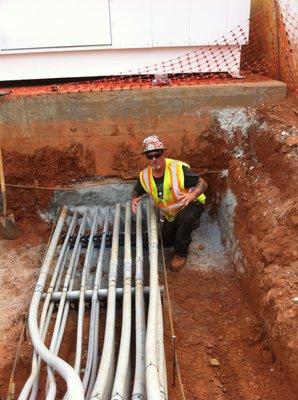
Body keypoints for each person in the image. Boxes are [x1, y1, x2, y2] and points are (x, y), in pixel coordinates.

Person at [131, 135, 207, 272]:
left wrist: (192, 195)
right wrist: (134, 198)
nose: (154, 159)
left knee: (186, 219)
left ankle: (181, 253)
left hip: (191, 203)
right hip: (171, 212)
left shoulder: (177, 169)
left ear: (163, 153)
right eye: (150, 156)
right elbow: (137, 189)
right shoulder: (145, 176)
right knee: (166, 241)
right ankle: (186, 224)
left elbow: (202, 183)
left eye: (157, 154)